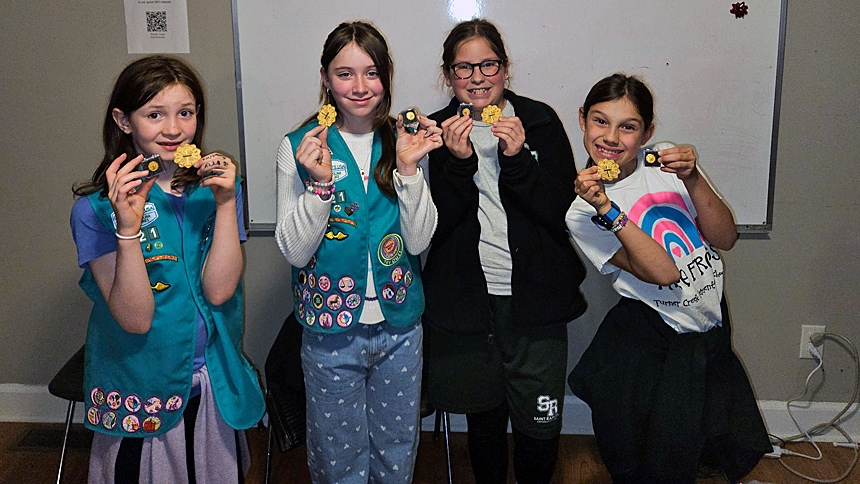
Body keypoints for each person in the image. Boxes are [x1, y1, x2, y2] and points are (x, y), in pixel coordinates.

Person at [565, 73, 771, 483]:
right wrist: (607, 207)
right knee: (658, 455)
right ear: (583, 120)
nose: (611, 137)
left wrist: (692, 178)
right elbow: (662, 272)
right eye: (600, 122)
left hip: (707, 321)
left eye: (628, 126)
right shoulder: (583, 211)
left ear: (647, 133)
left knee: (709, 441)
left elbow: (725, 237)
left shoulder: (663, 161)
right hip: (653, 336)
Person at [70, 55, 265, 483]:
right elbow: (135, 319)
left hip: (210, 379)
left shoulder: (217, 191)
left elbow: (219, 292)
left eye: (186, 113)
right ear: (124, 121)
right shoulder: (95, 210)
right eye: (154, 114)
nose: (174, 129)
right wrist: (128, 229)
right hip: (142, 384)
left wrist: (228, 203)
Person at [273, 21, 442, 483]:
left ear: (386, 76)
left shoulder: (403, 139)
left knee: (396, 452)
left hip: (400, 328)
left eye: (371, 72)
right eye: (345, 73)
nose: (360, 87)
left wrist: (409, 170)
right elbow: (293, 248)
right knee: (338, 458)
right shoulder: (299, 146)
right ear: (325, 78)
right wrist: (320, 187)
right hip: (330, 332)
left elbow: (420, 241)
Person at [421, 18, 588, 484]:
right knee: (485, 421)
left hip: (535, 302)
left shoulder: (538, 120)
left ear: (505, 68)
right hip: (469, 302)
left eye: (487, 65)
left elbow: (562, 213)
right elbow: (435, 225)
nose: (477, 78)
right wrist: (456, 165)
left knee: (539, 426)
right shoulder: (435, 131)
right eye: (463, 68)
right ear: (448, 76)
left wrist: (517, 163)